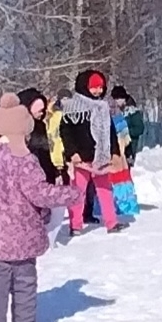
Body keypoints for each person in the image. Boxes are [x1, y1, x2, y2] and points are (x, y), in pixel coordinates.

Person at [0, 94, 81, 322]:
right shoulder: (24, 161)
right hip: (21, 237)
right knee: (24, 285)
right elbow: (39, 193)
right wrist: (70, 194)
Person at [59, 69, 122, 236]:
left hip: (101, 157)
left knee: (105, 189)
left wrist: (115, 152)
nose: (98, 91)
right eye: (94, 87)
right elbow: (66, 132)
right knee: (78, 192)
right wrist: (72, 152)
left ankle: (112, 222)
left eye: (101, 87)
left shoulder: (103, 107)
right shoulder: (72, 107)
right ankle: (76, 224)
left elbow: (111, 132)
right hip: (81, 158)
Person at [17, 88, 59, 185]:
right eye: (39, 111)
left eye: (43, 110)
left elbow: (46, 151)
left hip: (44, 172)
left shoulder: (40, 126)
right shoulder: (17, 127)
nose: (41, 113)